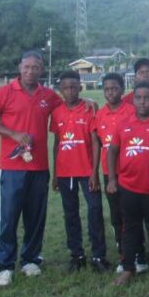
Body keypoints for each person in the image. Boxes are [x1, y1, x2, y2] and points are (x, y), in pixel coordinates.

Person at [0, 50, 62, 287]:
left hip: (39, 167)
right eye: (26, 67)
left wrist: (86, 100)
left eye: (35, 67)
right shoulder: (5, 92)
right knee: (8, 216)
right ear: (19, 67)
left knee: (36, 216)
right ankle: (4, 265)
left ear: (41, 70)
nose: (30, 71)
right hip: (12, 166)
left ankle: (30, 259)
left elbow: (66, 105)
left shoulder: (48, 95)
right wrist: (13, 134)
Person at [108, 83, 149, 286]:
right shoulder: (124, 123)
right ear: (133, 100)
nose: (143, 102)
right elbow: (112, 151)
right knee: (130, 230)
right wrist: (111, 179)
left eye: (147, 98)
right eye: (139, 98)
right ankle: (128, 269)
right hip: (128, 188)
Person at [51, 70, 107, 273]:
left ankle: (99, 255)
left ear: (80, 87)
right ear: (61, 90)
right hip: (65, 173)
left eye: (74, 86)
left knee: (94, 210)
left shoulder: (89, 109)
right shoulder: (57, 112)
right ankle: (77, 255)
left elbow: (95, 142)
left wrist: (94, 173)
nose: (70, 91)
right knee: (70, 213)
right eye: (66, 87)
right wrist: (56, 173)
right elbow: (57, 143)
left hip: (86, 171)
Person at [93, 73, 135, 269]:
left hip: (131, 171)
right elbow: (98, 143)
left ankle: (136, 251)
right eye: (107, 89)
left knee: (132, 213)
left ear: (122, 89)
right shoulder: (99, 114)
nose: (111, 92)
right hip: (109, 173)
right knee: (116, 214)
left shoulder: (132, 111)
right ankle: (122, 251)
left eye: (115, 88)